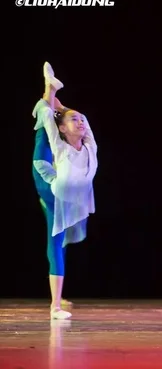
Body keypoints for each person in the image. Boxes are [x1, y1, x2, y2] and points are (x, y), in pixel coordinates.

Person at [31, 62, 98, 320]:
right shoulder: (60, 146)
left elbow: (84, 120)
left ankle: (50, 86)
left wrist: (62, 106)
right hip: (48, 184)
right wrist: (53, 104)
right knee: (41, 134)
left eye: (81, 119)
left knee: (60, 241)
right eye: (74, 120)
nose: (80, 122)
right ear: (62, 128)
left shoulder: (90, 146)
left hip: (72, 197)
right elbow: (49, 119)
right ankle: (55, 306)